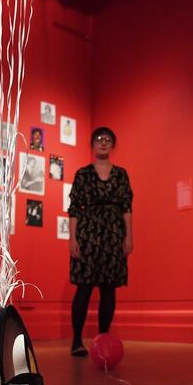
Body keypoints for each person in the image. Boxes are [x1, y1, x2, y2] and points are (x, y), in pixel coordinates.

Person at [68, 127, 133, 356]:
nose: (103, 142)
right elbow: (74, 208)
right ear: (92, 145)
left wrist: (129, 236)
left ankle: (103, 339)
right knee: (83, 289)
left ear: (112, 144)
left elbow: (127, 208)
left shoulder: (121, 174)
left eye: (107, 139)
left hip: (114, 236)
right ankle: (76, 341)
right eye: (98, 139)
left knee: (109, 290)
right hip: (87, 235)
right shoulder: (82, 174)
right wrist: (72, 238)